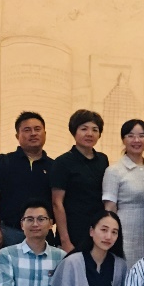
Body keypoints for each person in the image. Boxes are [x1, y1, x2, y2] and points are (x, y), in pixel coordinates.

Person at [0, 111, 54, 252]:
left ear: (45, 133)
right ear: (17, 136)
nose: (33, 133)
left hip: (44, 235)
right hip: (10, 233)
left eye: (37, 129)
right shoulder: (4, 162)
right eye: (27, 130)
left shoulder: (54, 166)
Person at [51, 109, 110, 254]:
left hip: (97, 230)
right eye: (84, 129)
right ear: (74, 132)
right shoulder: (62, 162)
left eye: (95, 130)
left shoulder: (103, 160)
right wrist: (65, 240)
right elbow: (57, 203)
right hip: (73, 231)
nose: (89, 134)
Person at [102, 119, 144, 268]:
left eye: (142, 136)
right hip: (125, 232)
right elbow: (110, 208)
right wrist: (111, 235)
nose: (136, 140)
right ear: (123, 140)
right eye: (130, 136)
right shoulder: (114, 171)